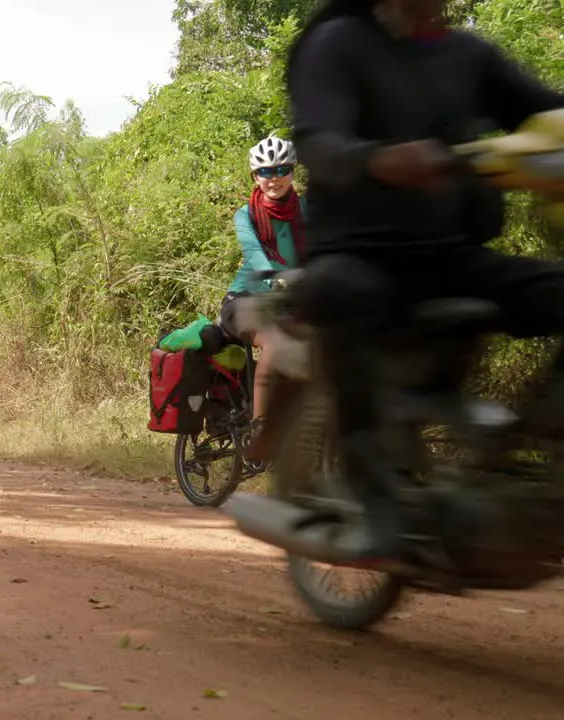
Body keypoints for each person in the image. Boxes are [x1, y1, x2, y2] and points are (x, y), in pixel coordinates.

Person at [286, 0, 564, 562]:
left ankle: (538, 451)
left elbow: (547, 110)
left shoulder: (470, 55)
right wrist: (380, 160)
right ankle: (377, 496)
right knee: (338, 291)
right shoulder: (339, 41)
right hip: (358, 255)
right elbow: (320, 142)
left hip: (452, 255)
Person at [217, 135, 307, 451]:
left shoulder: (306, 211)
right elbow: (255, 254)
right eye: (266, 171)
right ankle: (260, 429)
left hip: (289, 301)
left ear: (292, 172)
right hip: (244, 300)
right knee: (272, 341)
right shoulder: (247, 215)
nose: (274, 178)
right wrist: (277, 279)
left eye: (282, 169)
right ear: (256, 177)